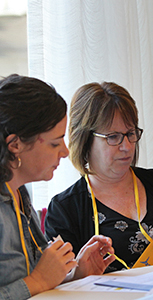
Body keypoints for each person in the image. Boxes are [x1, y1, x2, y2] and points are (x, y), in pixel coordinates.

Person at [45, 81, 153, 272]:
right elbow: (63, 282)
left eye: (130, 134)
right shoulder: (65, 209)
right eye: (113, 137)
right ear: (85, 140)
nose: (126, 147)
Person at [0, 74, 115, 300]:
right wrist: (38, 281)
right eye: (55, 143)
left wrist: (75, 274)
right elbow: (35, 281)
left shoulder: (19, 194)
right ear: (15, 145)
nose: (64, 152)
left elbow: (36, 280)